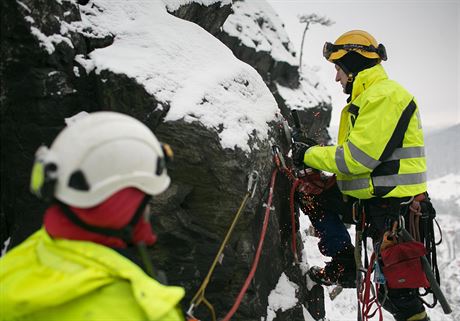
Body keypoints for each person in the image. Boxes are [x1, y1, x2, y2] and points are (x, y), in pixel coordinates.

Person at [292, 30, 430, 321]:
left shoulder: (384, 97)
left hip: (391, 206)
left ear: (352, 67)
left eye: (338, 69)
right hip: (376, 199)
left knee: (398, 294)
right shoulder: (370, 97)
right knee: (311, 194)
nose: (337, 78)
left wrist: (308, 154)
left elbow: (358, 158)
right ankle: (344, 264)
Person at [0, 111, 185, 321]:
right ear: (120, 204)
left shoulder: (12, 268)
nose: (147, 212)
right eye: (145, 199)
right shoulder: (145, 311)